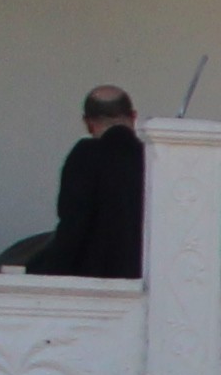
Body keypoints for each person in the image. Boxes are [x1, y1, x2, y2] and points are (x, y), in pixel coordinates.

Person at [47, 85, 147, 279]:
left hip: (95, 281)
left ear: (87, 122)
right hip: (155, 282)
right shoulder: (159, 158)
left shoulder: (84, 157)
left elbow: (73, 224)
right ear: (133, 117)